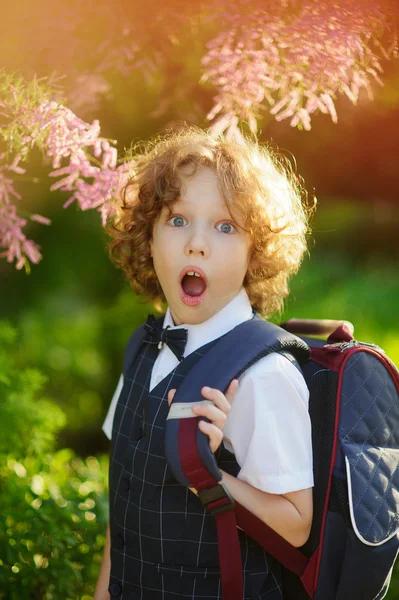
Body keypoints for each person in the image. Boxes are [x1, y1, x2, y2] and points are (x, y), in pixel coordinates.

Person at [94, 126, 314, 600]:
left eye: (225, 226)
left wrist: (209, 478)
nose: (196, 244)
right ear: (148, 236)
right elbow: (125, 502)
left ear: (256, 253)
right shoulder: (142, 349)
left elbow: (297, 526)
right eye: (177, 221)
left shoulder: (264, 375)